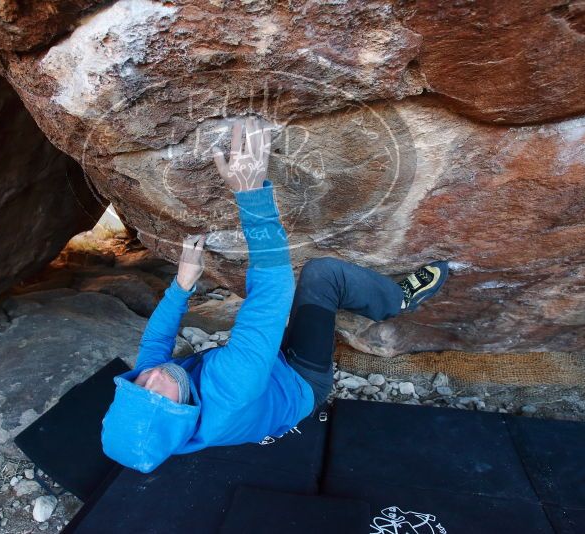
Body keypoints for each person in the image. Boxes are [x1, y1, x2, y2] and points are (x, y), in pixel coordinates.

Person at [101, 117, 449, 473]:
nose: (154, 377)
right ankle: (396, 300)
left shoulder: (152, 391)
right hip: (300, 382)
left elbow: (156, 340)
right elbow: (272, 290)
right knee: (322, 276)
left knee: (272, 329)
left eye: (140, 385)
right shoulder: (230, 390)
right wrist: (251, 196)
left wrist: (182, 286)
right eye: (158, 394)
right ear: (182, 413)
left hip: (263, 382)